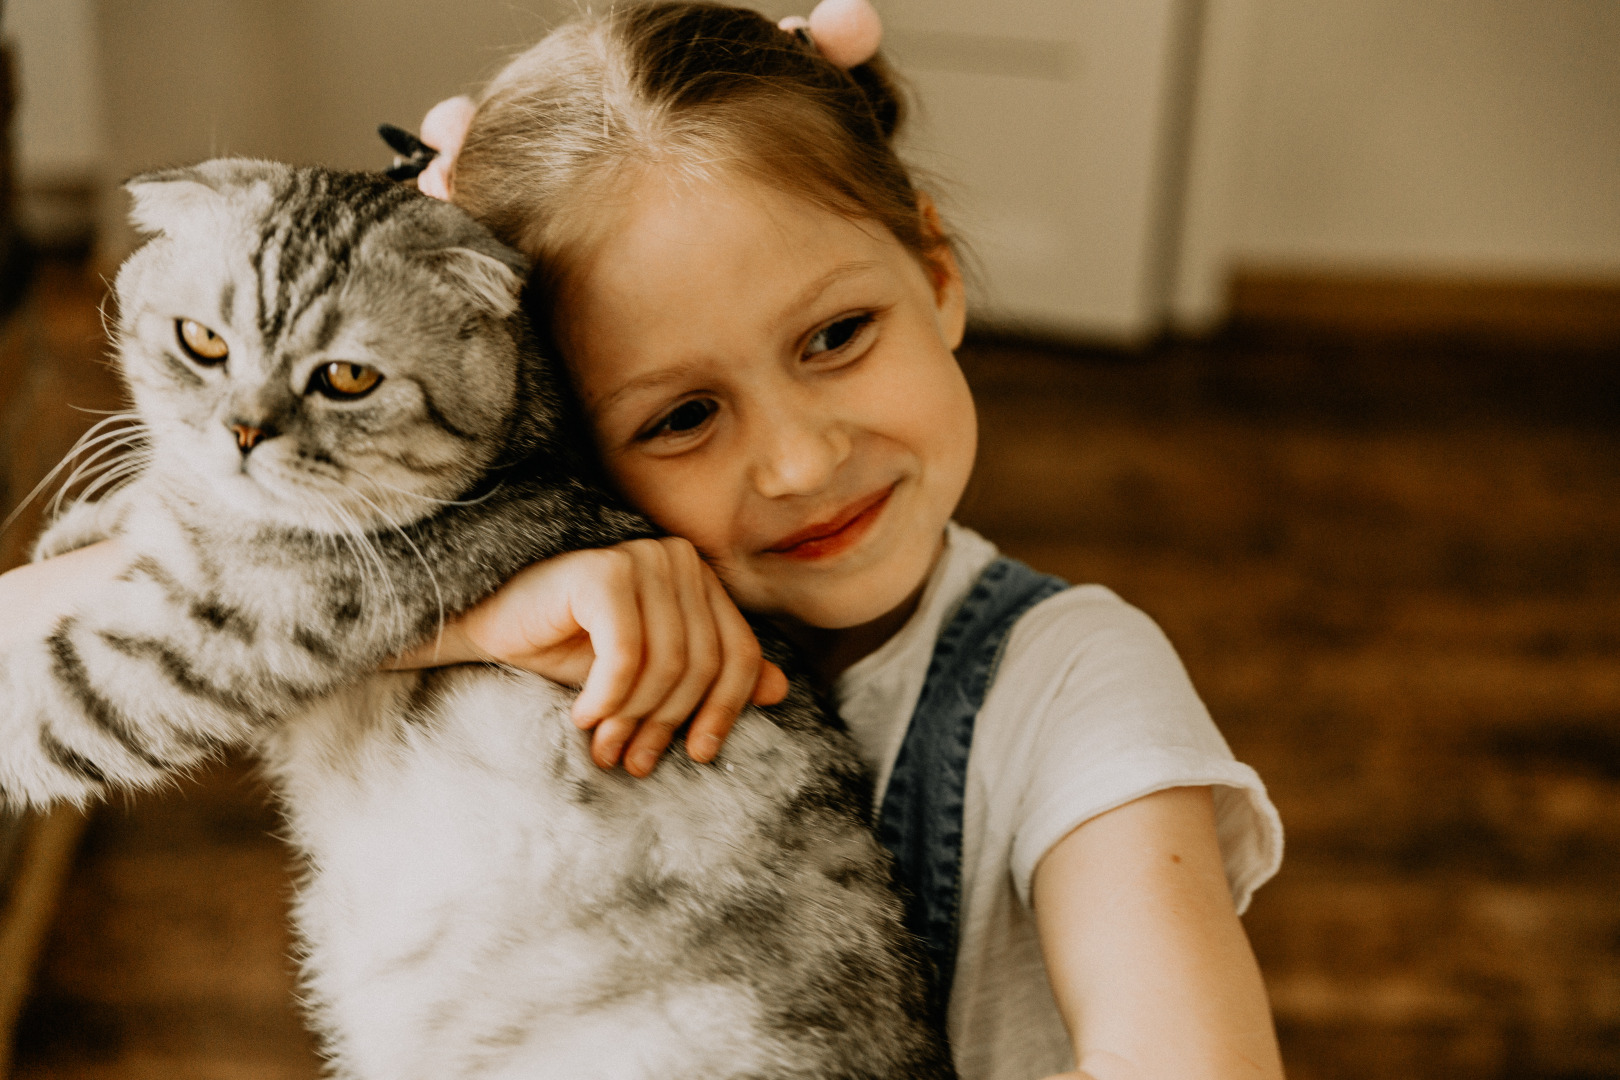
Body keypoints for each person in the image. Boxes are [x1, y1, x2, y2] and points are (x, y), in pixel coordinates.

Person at [0, 2, 1285, 1077]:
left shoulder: (1073, 682)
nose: (798, 462)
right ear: (549, 431)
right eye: (680, 415)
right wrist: (477, 617)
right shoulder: (465, 546)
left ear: (938, 277)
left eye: (837, 337)